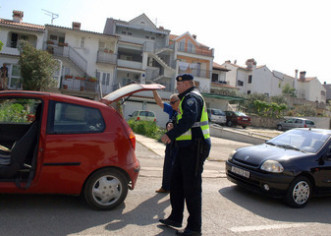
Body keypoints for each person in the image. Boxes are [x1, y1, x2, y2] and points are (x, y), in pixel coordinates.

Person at [159, 74, 211, 236]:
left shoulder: (192, 98)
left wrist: (171, 134)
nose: (177, 87)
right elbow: (183, 120)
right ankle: (175, 217)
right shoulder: (186, 98)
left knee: (192, 188)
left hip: (196, 146)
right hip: (185, 147)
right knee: (176, 182)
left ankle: (194, 228)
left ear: (188, 84)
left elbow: (189, 119)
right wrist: (172, 124)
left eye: (179, 85)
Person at [153, 90, 179, 193]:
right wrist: (154, 90)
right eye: (170, 102)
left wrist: (174, 127)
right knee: (167, 164)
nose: (171, 104)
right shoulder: (171, 109)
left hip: (180, 143)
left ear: (179, 101)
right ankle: (165, 187)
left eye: (173, 102)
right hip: (170, 141)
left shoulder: (184, 112)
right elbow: (159, 102)